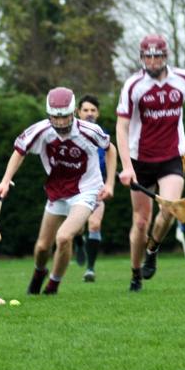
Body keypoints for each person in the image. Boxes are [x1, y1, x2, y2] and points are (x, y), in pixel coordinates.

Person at [116, 34, 185, 292]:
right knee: (140, 222)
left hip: (172, 156)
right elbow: (122, 126)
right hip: (140, 159)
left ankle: (153, 248)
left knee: (170, 209)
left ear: (165, 56)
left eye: (157, 55)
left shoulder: (182, 79)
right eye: (147, 56)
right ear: (141, 58)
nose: (152, 60)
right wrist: (126, 166)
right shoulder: (133, 86)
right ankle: (135, 273)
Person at [0, 87, 116, 296]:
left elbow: (110, 149)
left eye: (65, 117)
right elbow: (19, 151)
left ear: (73, 113)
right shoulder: (40, 131)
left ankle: (52, 285)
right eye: (55, 117)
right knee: (42, 247)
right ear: (49, 114)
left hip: (86, 191)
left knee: (63, 237)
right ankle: (39, 272)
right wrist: (5, 181)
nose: (60, 123)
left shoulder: (88, 131)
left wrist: (110, 183)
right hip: (57, 191)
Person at [71, 94, 109, 282]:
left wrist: (110, 180)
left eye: (93, 110)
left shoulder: (102, 136)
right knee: (77, 228)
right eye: (85, 110)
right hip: (74, 189)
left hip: (96, 187)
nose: (89, 113)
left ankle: (90, 269)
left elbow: (108, 158)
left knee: (94, 224)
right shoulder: (70, 134)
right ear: (78, 112)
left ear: (98, 113)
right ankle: (78, 241)